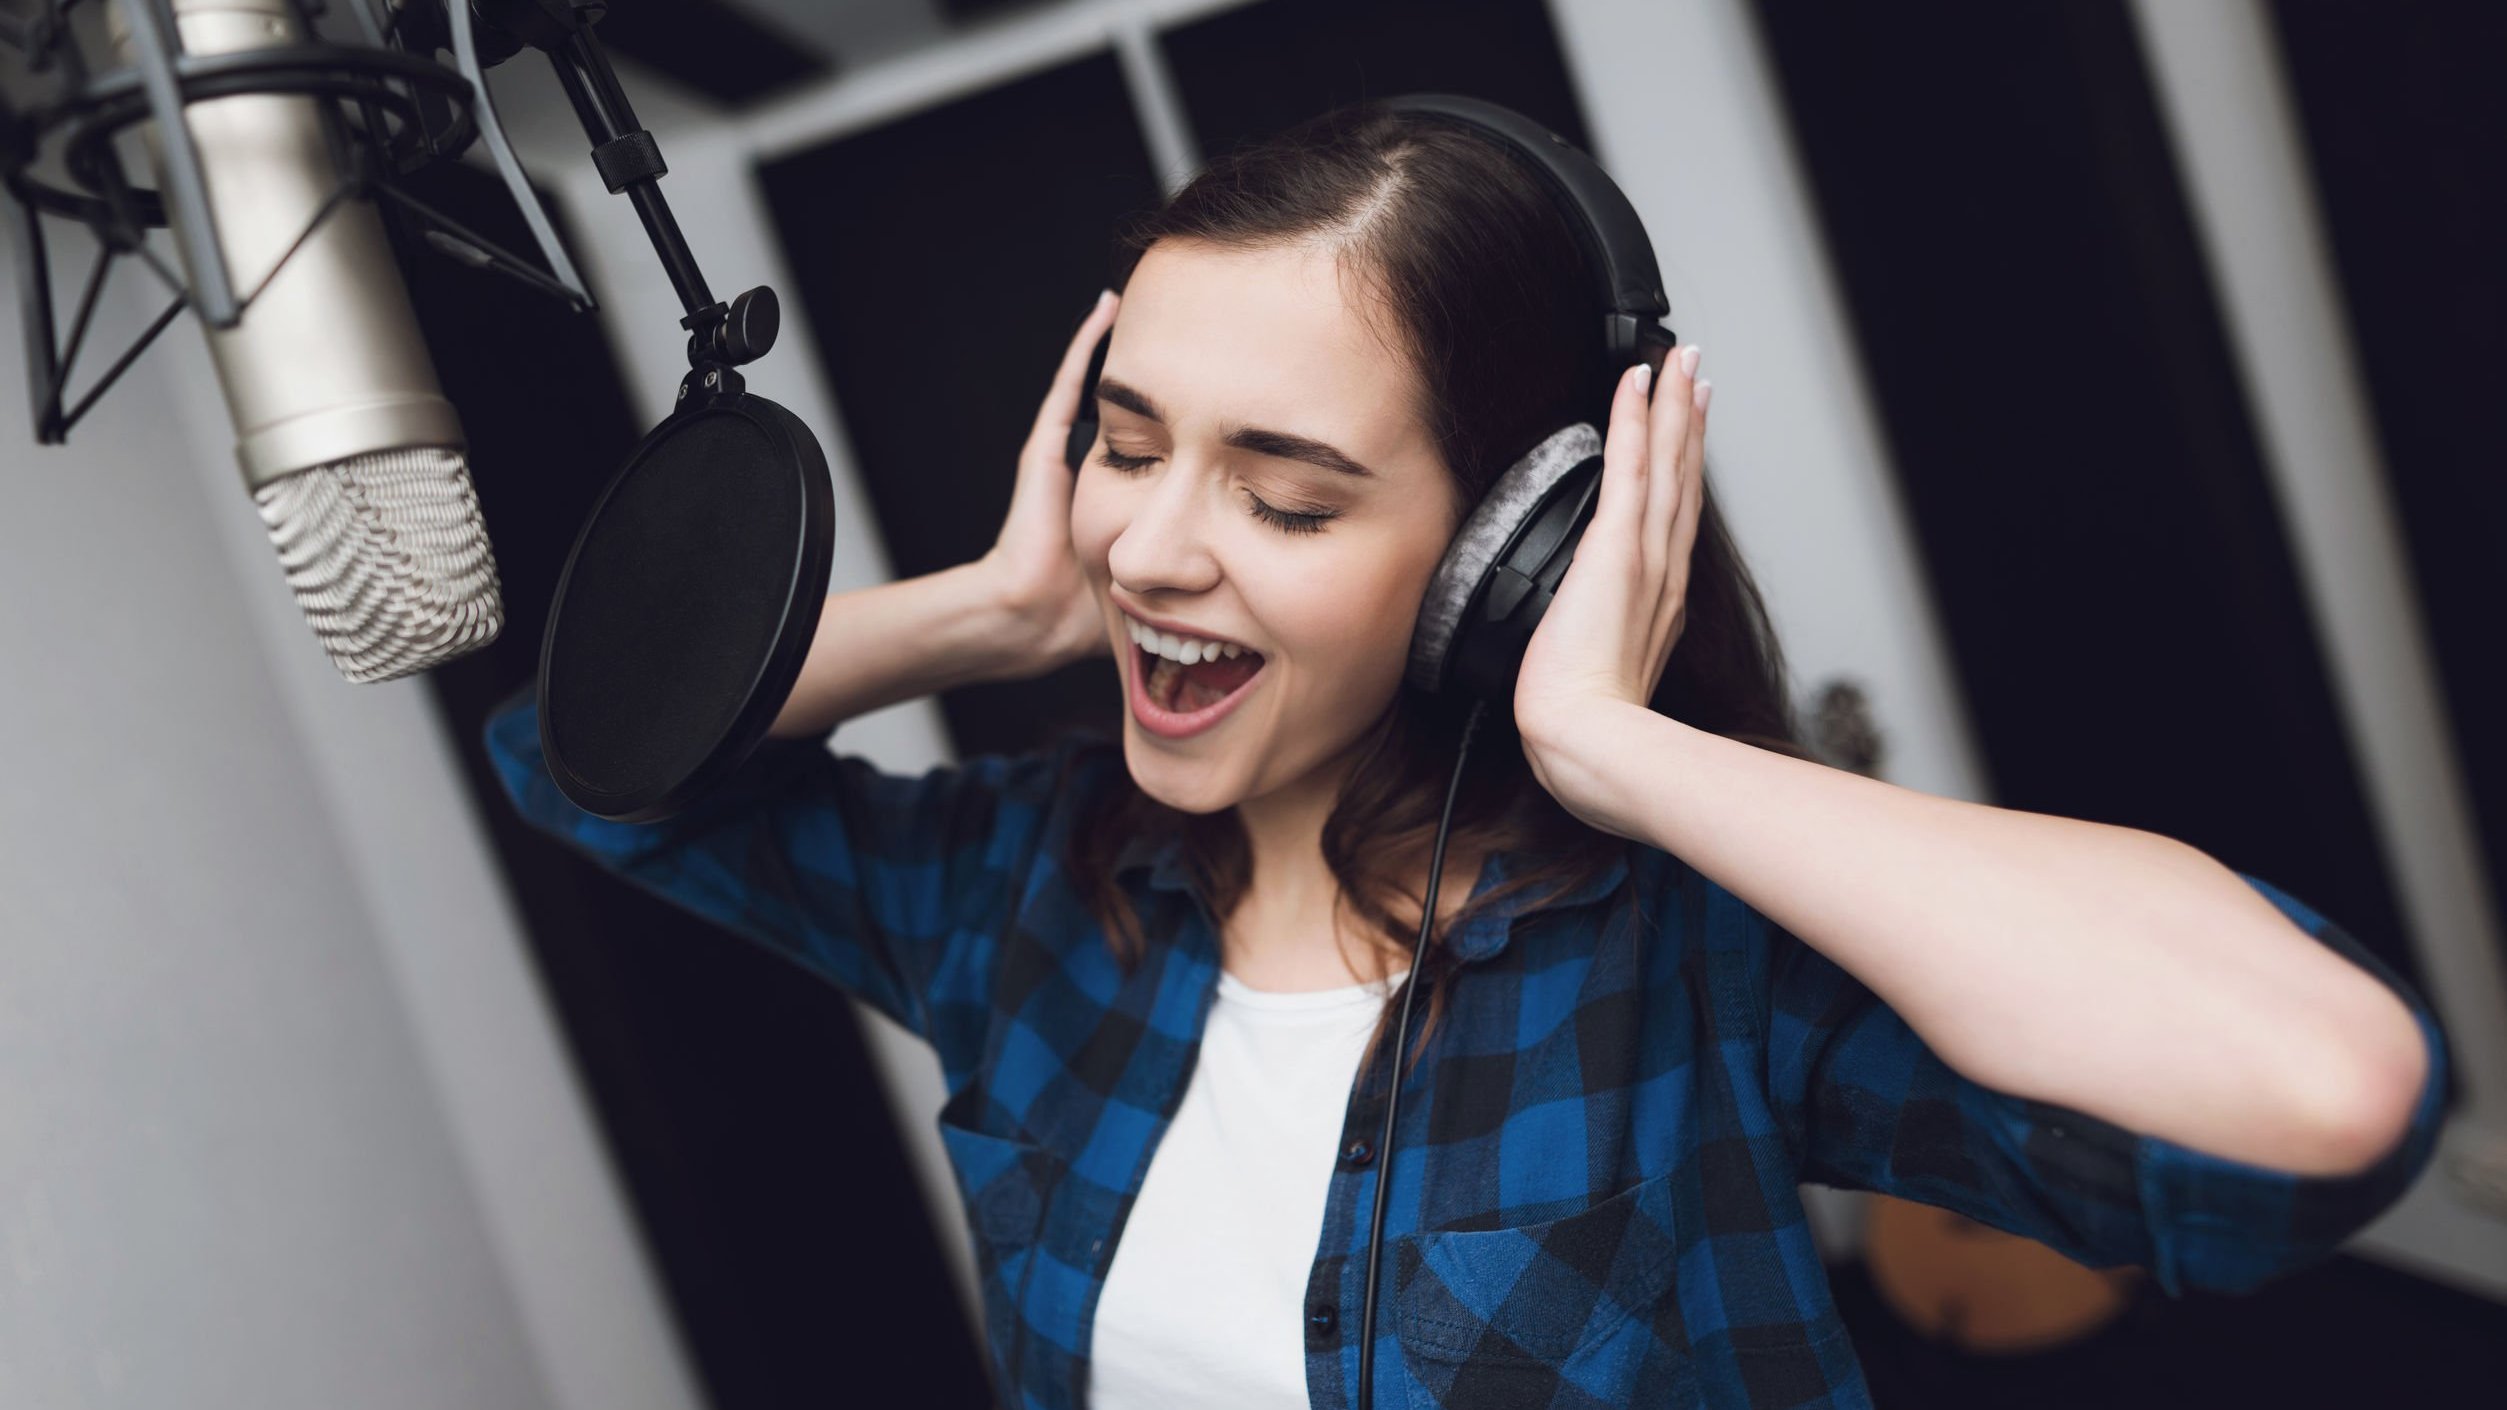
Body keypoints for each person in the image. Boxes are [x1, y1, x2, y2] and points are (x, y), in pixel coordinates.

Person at [483, 102, 2450, 1410]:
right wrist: (989, 612)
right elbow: (584, 762)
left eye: (1291, 495)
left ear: (1501, 556)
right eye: (1133, 440)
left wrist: (1605, 734)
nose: (1155, 547)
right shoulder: (1012, 887)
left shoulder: (1680, 963)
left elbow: (2322, 1092)